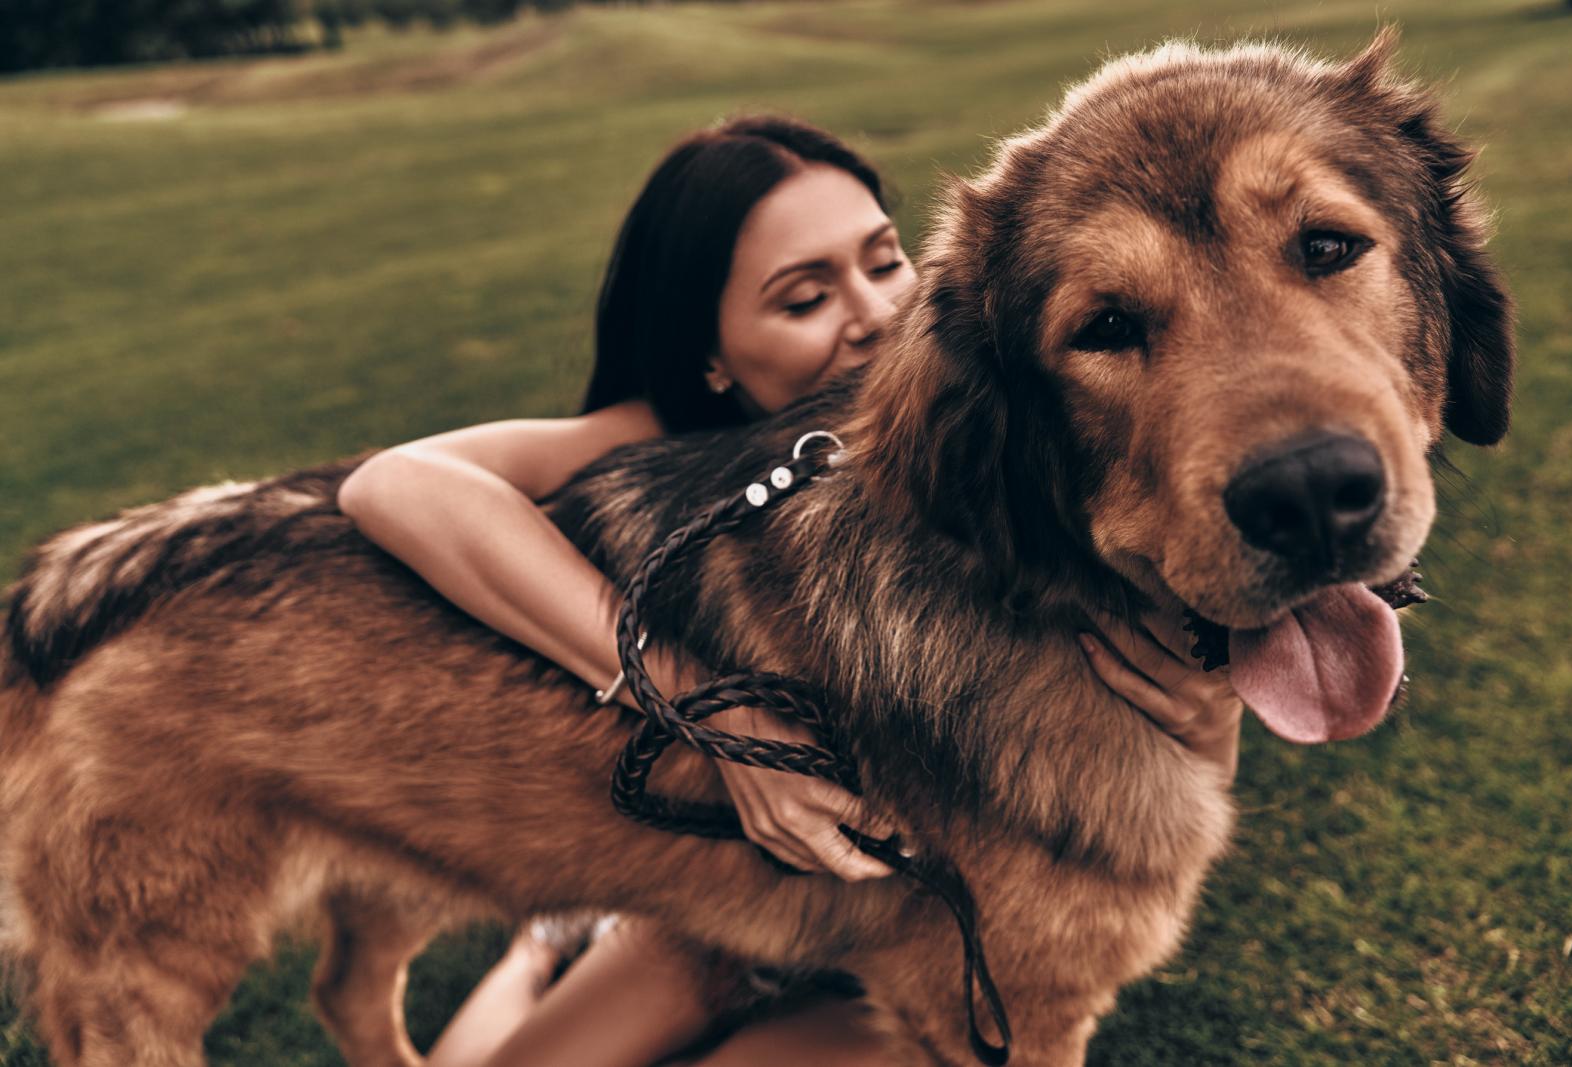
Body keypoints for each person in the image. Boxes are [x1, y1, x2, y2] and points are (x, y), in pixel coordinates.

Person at [337, 114, 1244, 1067]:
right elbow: (395, 485)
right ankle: (542, 948)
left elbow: (1144, 784)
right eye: (805, 297)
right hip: (730, 892)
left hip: (919, 903)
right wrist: (708, 718)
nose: (875, 314)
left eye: (885, 261)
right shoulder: (663, 437)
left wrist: (1209, 721)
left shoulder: (980, 433)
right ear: (713, 355)